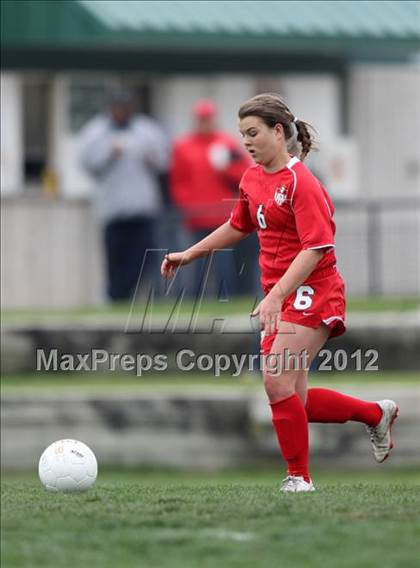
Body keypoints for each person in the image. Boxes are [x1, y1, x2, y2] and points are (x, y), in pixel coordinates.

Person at [161, 93, 399, 493]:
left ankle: (298, 479)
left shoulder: (301, 182)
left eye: (253, 133)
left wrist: (274, 296)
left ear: (278, 131)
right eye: (242, 135)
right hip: (280, 294)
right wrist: (191, 254)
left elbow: (317, 247)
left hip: (314, 291)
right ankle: (375, 414)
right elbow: (238, 226)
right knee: (294, 400)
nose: (247, 142)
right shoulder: (251, 178)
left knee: (274, 381)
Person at [79, 89, 169, 301]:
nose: (121, 112)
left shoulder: (146, 130)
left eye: (125, 108)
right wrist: (110, 153)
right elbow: (86, 163)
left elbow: (164, 161)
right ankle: (116, 296)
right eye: (117, 108)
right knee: (116, 259)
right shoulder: (96, 131)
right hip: (113, 209)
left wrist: (150, 158)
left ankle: (129, 294)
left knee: (142, 259)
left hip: (142, 208)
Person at [170, 98, 254, 297]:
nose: (205, 123)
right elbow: (178, 181)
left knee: (224, 264)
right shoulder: (183, 147)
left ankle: (226, 298)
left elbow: (245, 174)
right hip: (197, 217)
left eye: (208, 119)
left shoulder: (226, 144)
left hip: (222, 217)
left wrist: (226, 169)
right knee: (197, 262)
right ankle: (196, 301)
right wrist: (187, 205)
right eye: (201, 119)